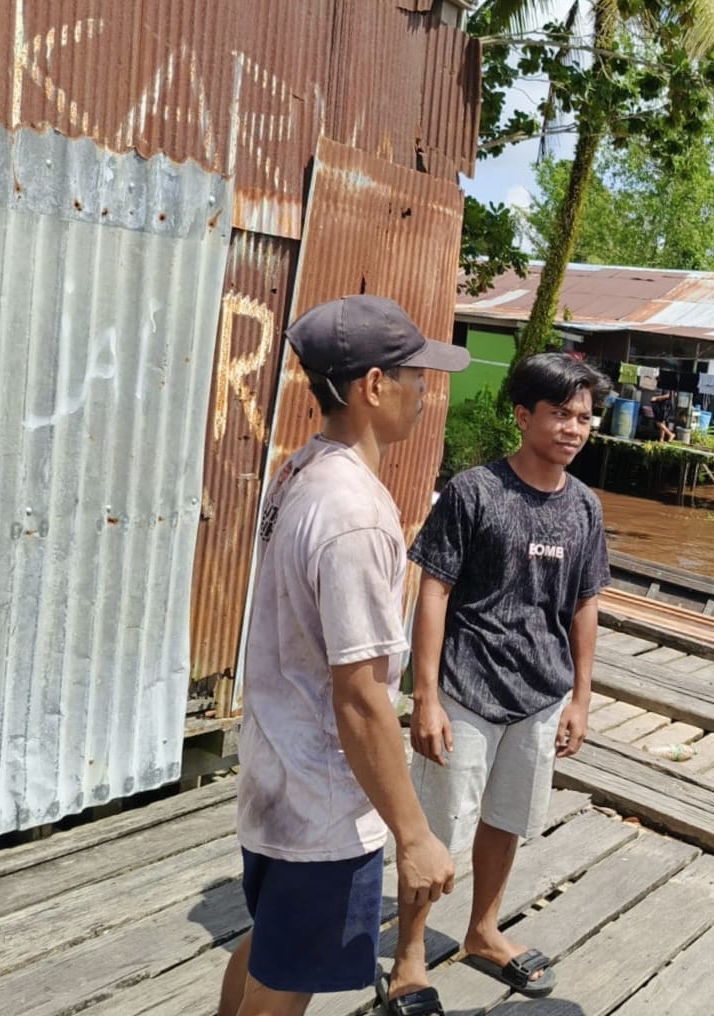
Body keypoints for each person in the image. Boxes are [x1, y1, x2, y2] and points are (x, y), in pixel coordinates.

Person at [221, 295, 469, 1016]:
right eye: (416, 376)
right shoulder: (357, 513)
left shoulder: (297, 471)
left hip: (276, 775)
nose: (426, 393)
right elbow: (360, 696)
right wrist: (414, 834)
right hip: (322, 803)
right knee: (286, 980)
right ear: (372, 386)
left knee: (271, 945)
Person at [400, 352, 612, 1006]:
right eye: (559, 414)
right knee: (435, 831)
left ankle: (484, 931)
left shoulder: (585, 507)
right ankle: (409, 955)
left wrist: (580, 697)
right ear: (523, 416)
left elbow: (585, 603)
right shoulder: (474, 492)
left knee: (506, 819)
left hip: (539, 698)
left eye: (585, 416)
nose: (574, 428)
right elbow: (432, 592)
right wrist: (426, 696)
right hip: (465, 691)